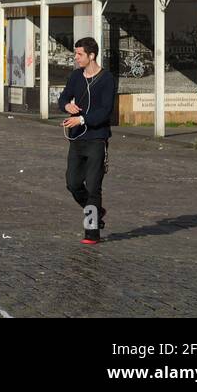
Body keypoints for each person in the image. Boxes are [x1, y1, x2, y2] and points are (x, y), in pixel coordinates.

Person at [58, 36, 117, 245]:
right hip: (77, 140)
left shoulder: (107, 79)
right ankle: (97, 211)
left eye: (79, 54)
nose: (76, 58)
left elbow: (105, 111)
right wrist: (67, 106)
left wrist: (81, 118)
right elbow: (63, 98)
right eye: (76, 54)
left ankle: (91, 232)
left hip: (97, 139)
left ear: (91, 55)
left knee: (93, 186)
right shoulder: (75, 76)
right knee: (73, 183)